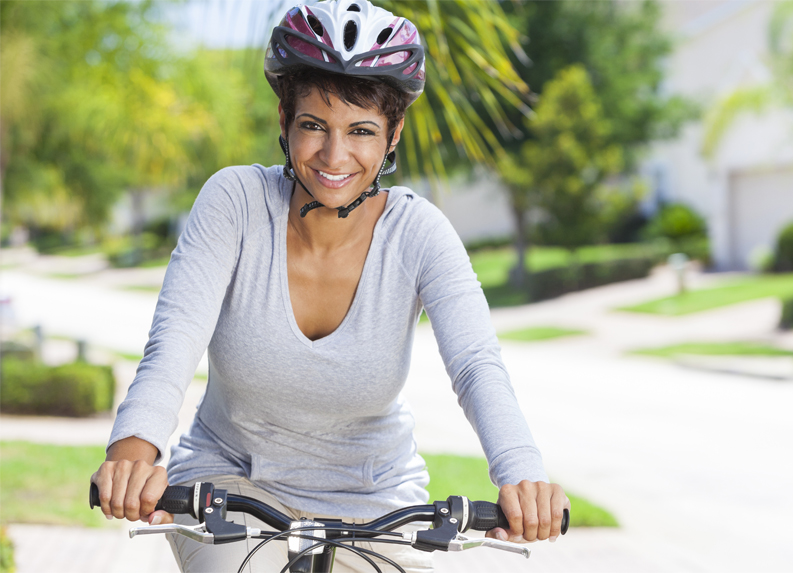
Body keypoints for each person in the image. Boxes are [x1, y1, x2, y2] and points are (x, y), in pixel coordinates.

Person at [90, 1, 569, 571]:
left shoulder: (419, 233)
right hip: (230, 489)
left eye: (361, 130)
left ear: (393, 136)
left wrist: (522, 474)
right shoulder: (235, 202)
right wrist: (132, 454)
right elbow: (175, 339)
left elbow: (475, 364)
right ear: (283, 120)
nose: (334, 156)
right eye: (313, 125)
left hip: (378, 503)